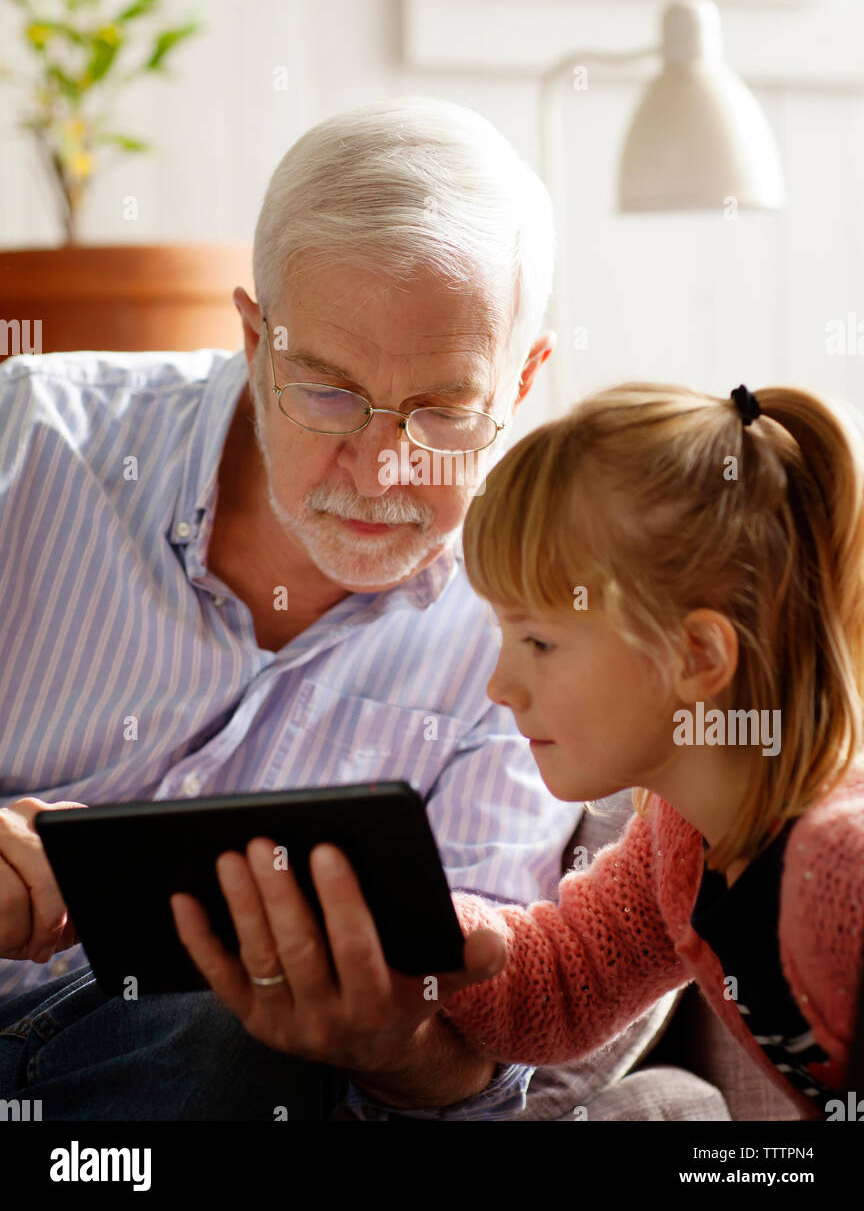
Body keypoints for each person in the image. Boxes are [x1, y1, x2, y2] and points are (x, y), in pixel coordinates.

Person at [0, 95, 600, 1121]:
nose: (379, 469)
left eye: (444, 411)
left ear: (524, 380)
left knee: (230, 1024)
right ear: (253, 337)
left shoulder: (533, 624)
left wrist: (393, 1047)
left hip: (182, 1085)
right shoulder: (27, 445)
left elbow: (484, 1071)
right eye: (327, 394)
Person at [436, 380, 864, 1121]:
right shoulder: (682, 839)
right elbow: (563, 981)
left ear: (697, 656)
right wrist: (414, 924)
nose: (499, 686)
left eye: (539, 642)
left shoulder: (838, 868)